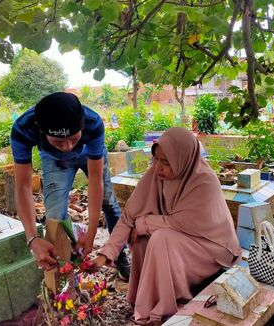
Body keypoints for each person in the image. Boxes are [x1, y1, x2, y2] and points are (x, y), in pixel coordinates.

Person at [92, 127, 241, 324]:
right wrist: (106, 254)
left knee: (160, 237)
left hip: (212, 249)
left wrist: (145, 223)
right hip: (179, 240)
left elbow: (184, 223)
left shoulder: (204, 182)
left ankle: (165, 306)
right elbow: (129, 217)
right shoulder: (156, 175)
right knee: (143, 240)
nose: (158, 167)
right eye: (156, 159)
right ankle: (145, 300)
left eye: (166, 162)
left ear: (183, 159)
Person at [11, 92, 130, 280]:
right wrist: (32, 238)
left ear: (82, 126)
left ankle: (119, 253)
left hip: (89, 153)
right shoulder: (23, 128)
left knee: (108, 202)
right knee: (55, 217)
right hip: (53, 159)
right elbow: (23, 186)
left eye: (73, 138)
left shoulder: (93, 122)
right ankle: (66, 264)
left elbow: (96, 180)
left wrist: (91, 233)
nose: (67, 146)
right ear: (41, 131)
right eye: (59, 140)